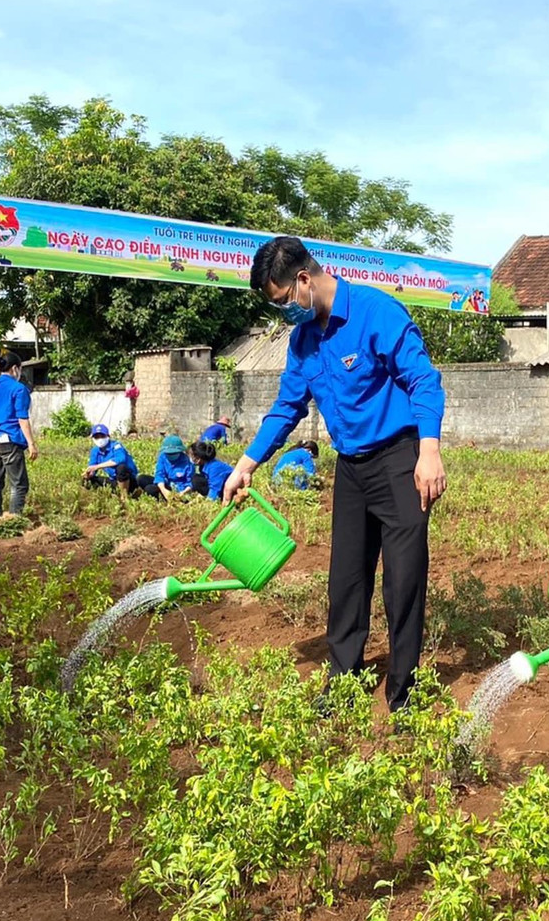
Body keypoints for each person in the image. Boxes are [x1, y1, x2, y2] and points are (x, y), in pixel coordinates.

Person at [222, 236, 446, 715]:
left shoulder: (375, 313)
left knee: (403, 581)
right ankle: (344, 679)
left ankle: (403, 693)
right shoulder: (303, 342)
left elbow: (423, 379)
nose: (284, 313)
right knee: (346, 580)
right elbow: (287, 409)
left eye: (283, 301)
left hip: (401, 460)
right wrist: (246, 464)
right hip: (351, 468)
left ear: (304, 280)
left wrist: (430, 449)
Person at [0, 351, 37, 522]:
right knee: (19, 484)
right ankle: (13, 521)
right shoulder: (19, 389)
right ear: (15, 369)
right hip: (10, 440)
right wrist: (31, 444)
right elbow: (22, 418)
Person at [82, 423, 139, 496]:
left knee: (121, 468)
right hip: (114, 480)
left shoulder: (116, 446)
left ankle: (124, 496)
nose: (100, 439)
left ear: (108, 436)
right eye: (96, 437)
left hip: (130, 480)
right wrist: (89, 474)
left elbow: (120, 459)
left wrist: (97, 466)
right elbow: (92, 467)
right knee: (87, 481)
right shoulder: (95, 451)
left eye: (102, 436)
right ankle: (109, 495)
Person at [138, 434, 194, 501]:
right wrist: (164, 490)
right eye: (168, 454)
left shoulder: (187, 462)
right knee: (141, 478)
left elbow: (190, 483)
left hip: (179, 490)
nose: (171, 455)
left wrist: (182, 493)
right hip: (165, 485)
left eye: (173, 453)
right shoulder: (163, 457)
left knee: (149, 489)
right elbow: (159, 475)